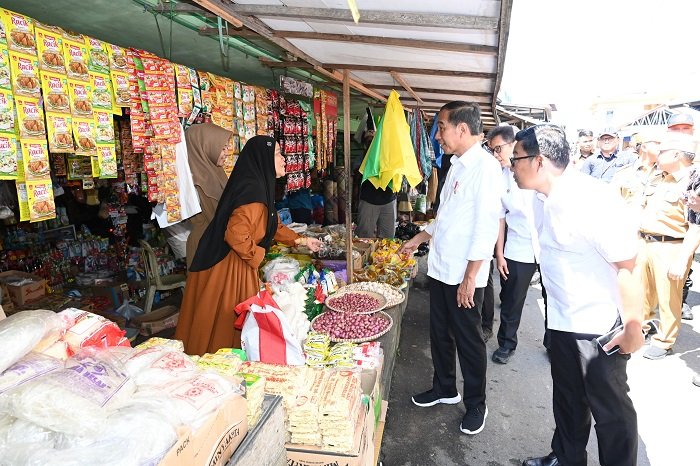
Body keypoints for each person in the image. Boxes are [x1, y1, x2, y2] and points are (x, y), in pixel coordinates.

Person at [511, 125, 643, 466]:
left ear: (538, 161)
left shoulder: (592, 199)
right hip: (561, 319)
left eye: (516, 159)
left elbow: (627, 265)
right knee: (568, 400)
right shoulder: (541, 199)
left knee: (611, 412)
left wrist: (633, 327)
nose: (511, 166)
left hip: (596, 326)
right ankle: (566, 458)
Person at [399, 101, 503, 436]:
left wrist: (471, 277)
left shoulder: (486, 169)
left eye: (441, 127)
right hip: (443, 267)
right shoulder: (457, 164)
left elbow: (486, 229)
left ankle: (476, 404)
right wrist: (419, 238)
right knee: (439, 334)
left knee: (469, 341)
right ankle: (444, 387)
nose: (437, 135)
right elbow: (446, 216)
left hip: (465, 274)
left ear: (461, 128)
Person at [174, 136, 322, 355]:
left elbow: (271, 222)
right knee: (223, 320)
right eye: (278, 154)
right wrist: (258, 257)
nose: (284, 159)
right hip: (227, 266)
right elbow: (236, 235)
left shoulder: (258, 187)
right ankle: (216, 363)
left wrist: (300, 240)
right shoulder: (252, 193)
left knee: (224, 320)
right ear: (263, 159)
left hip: (236, 262)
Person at [638, 134, 696, 360]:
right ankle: (642, 327)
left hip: (671, 245)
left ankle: (664, 340)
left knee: (669, 297)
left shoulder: (692, 181)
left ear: (676, 155)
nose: (657, 155)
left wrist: (683, 258)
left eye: (662, 151)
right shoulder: (661, 177)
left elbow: (695, 226)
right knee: (642, 292)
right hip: (645, 241)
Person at [487, 125, 541, 364]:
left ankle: (553, 342)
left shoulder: (538, 171)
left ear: (514, 146)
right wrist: (499, 254)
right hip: (518, 247)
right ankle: (507, 343)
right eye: (493, 151)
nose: (496, 155)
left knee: (554, 298)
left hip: (547, 246)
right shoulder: (501, 178)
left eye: (499, 149)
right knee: (511, 298)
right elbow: (500, 217)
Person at [184, 123, 232, 269]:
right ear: (205, 147)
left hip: (219, 246)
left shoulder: (216, 173)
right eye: (222, 148)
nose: (227, 152)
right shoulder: (196, 182)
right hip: (205, 252)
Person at [667, 112, 696, 321]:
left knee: (685, 263)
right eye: (675, 129)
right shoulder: (667, 151)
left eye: (684, 128)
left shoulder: (694, 153)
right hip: (674, 215)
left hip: (694, 217)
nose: (680, 133)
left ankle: (681, 301)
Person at [356, 129, 397, 238]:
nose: (371, 143)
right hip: (369, 201)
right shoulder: (362, 159)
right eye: (368, 141)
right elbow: (356, 178)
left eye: (373, 140)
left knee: (388, 237)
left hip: (388, 200)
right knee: (364, 238)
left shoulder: (387, 155)